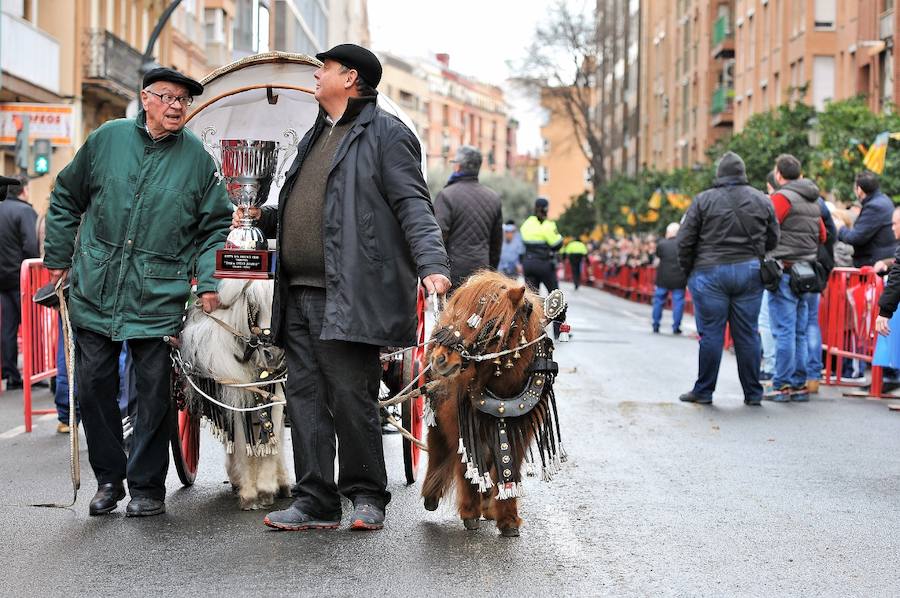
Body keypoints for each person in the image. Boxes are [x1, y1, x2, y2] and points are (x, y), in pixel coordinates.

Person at [239, 44, 450, 532]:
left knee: (351, 395)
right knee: (304, 396)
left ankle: (365, 495)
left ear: (350, 78)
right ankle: (316, 499)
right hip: (297, 290)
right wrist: (262, 218)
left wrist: (432, 263)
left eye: (325, 69)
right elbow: (304, 206)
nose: (317, 76)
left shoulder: (386, 135)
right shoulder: (316, 132)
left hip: (349, 289)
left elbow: (414, 206)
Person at [44, 68, 232, 517]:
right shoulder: (107, 139)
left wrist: (207, 281)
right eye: (167, 97)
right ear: (145, 98)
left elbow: (214, 228)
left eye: (183, 101)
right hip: (95, 286)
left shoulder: (198, 160)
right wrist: (58, 257)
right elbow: (67, 196)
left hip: (157, 293)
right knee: (92, 389)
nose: (175, 106)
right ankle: (109, 479)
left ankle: (147, 486)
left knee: (151, 395)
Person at [676, 151, 779, 406]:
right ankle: (753, 393)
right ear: (743, 173)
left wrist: (689, 270)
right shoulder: (761, 199)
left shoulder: (703, 200)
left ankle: (704, 391)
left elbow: (684, 240)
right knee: (747, 334)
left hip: (709, 272)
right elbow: (774, 237)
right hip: (749, 271)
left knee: (711, 334)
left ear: (719, 174)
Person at [763, 154, 827, 402]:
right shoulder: (814, 200)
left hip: (786, 270)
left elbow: (768, 226)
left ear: (779, 174)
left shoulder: (782, 197)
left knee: (784, 331)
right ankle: (800, 384)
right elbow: (822, 235)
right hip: (807, 272)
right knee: (799, 331)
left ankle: (782, 384)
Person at [433, 145, 502, 289]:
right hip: (482, 274)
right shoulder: (493, 198)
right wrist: (490, 271)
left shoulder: (446, 196)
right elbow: (496, 244)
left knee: (452, 312)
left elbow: (438, 237)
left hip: (453, 274)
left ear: (457, 167)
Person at [0, 174, 39, 391]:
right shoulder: (24, 211)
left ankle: (10, 374)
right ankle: (33, 372)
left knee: (7, 328)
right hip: (22, 278)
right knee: (31, 326)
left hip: (2, 280)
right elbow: (32, 245)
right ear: (22, 190)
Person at [520, 197, 563, 337]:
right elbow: (557, 243)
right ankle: (559, 330)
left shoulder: (526, 224)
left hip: (529, 263)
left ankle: (529, 330)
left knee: (531, 297)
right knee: (555, 295)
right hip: (544, 264)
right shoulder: (548, 225)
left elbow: (523, 240)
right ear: (546, 209)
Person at [837, 171, 896, 268]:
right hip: (884, 258)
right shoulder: (884, 200)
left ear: (859, 190)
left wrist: (841, 228)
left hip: (874, 263)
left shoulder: (874, 207)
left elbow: (856, 237)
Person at [651, 222, 687, 334]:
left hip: (663, 278)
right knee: (678, 302)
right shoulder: (683, 244)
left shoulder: (662, 244)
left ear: (669, 232)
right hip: (679, 278)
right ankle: (676, 326)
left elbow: (657, 260)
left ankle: (656, 324)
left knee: (658, 301)